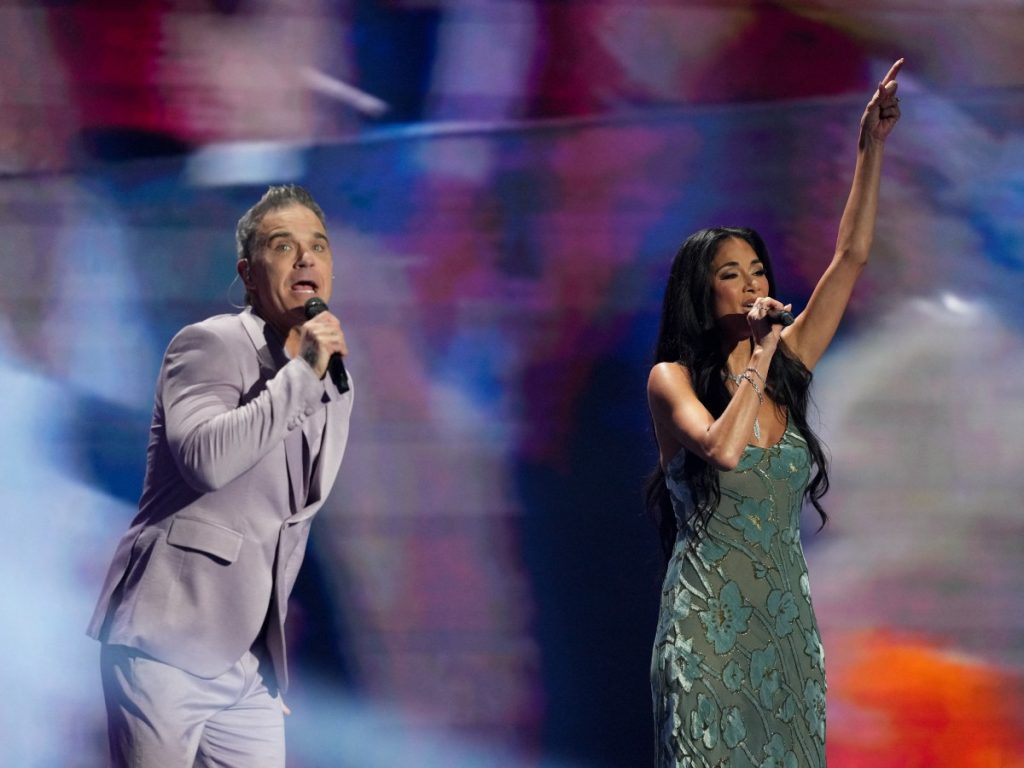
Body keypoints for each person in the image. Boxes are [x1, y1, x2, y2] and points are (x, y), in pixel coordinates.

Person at [646, 60, 903, 766]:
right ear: (703, 294)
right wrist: (759, 357)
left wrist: (870, 147)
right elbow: (723, 451)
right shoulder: (671, 380)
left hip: (785, 630)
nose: (753, 283)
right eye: (732, 274)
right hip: (707, 634)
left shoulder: (785, 363)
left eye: (757, 269)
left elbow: (850, 257)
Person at [87, 184, 354, 767]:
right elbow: (206, 460)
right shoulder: (209, 344)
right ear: (248, 274)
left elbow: (290, 524)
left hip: (248, 664)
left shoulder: (332, 382)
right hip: (167, 640)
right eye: (283, 246)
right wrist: (303, 374)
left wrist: (268, 654)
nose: (306, 258)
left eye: (318, 246)